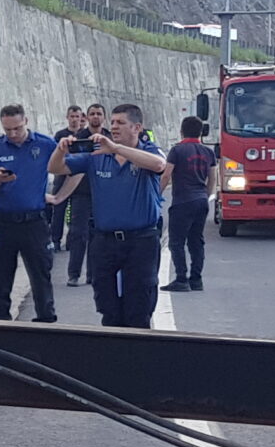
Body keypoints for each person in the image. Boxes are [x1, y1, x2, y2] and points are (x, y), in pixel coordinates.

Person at [65, 102, 169, 328]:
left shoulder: (148, 150)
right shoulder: (97, 155)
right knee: (107, 306)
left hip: (141, 240)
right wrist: (60, 149)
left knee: (139, 305)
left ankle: (139, 356)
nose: (114, 127)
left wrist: (117, 149)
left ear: (137, 127)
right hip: (105, 240)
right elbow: (58, 167)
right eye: (112, 122)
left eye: (120, 123)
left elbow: (159, 164)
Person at [0, 103, 61, 322]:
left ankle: (46, 322)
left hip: (34, 222)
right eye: (8, 130)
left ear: (26, 121)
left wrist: (61, 195)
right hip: (3, 223)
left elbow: (69, 168)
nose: (13, 134)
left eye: (17, 128)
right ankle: (1, 327)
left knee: (41, 277)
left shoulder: (45, 145)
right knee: (0, 281)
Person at [163, 115, 219, 293]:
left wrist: (156, 194)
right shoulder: (208, 152)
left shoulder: (177, 150)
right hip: (201, 199)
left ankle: (181, 278)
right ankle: (196, 279)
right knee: (196, 241)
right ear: (201, 132)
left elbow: (166, 175)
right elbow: (213, 178)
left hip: (182, 200)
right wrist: (206, 195)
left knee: (177, 242)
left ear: (181, 131)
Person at [54, 103, 107, 286]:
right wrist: (61, 194)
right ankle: (74, 274)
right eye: (92, 113)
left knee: (98, 235)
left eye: (99, 114)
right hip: (81, 193)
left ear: (104, 117)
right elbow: (70, 167)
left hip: (103, 194)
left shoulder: (108, 138)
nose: (95, 117)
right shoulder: (78, 139)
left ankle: (93, 274)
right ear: (87, 117)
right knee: (78, 234)